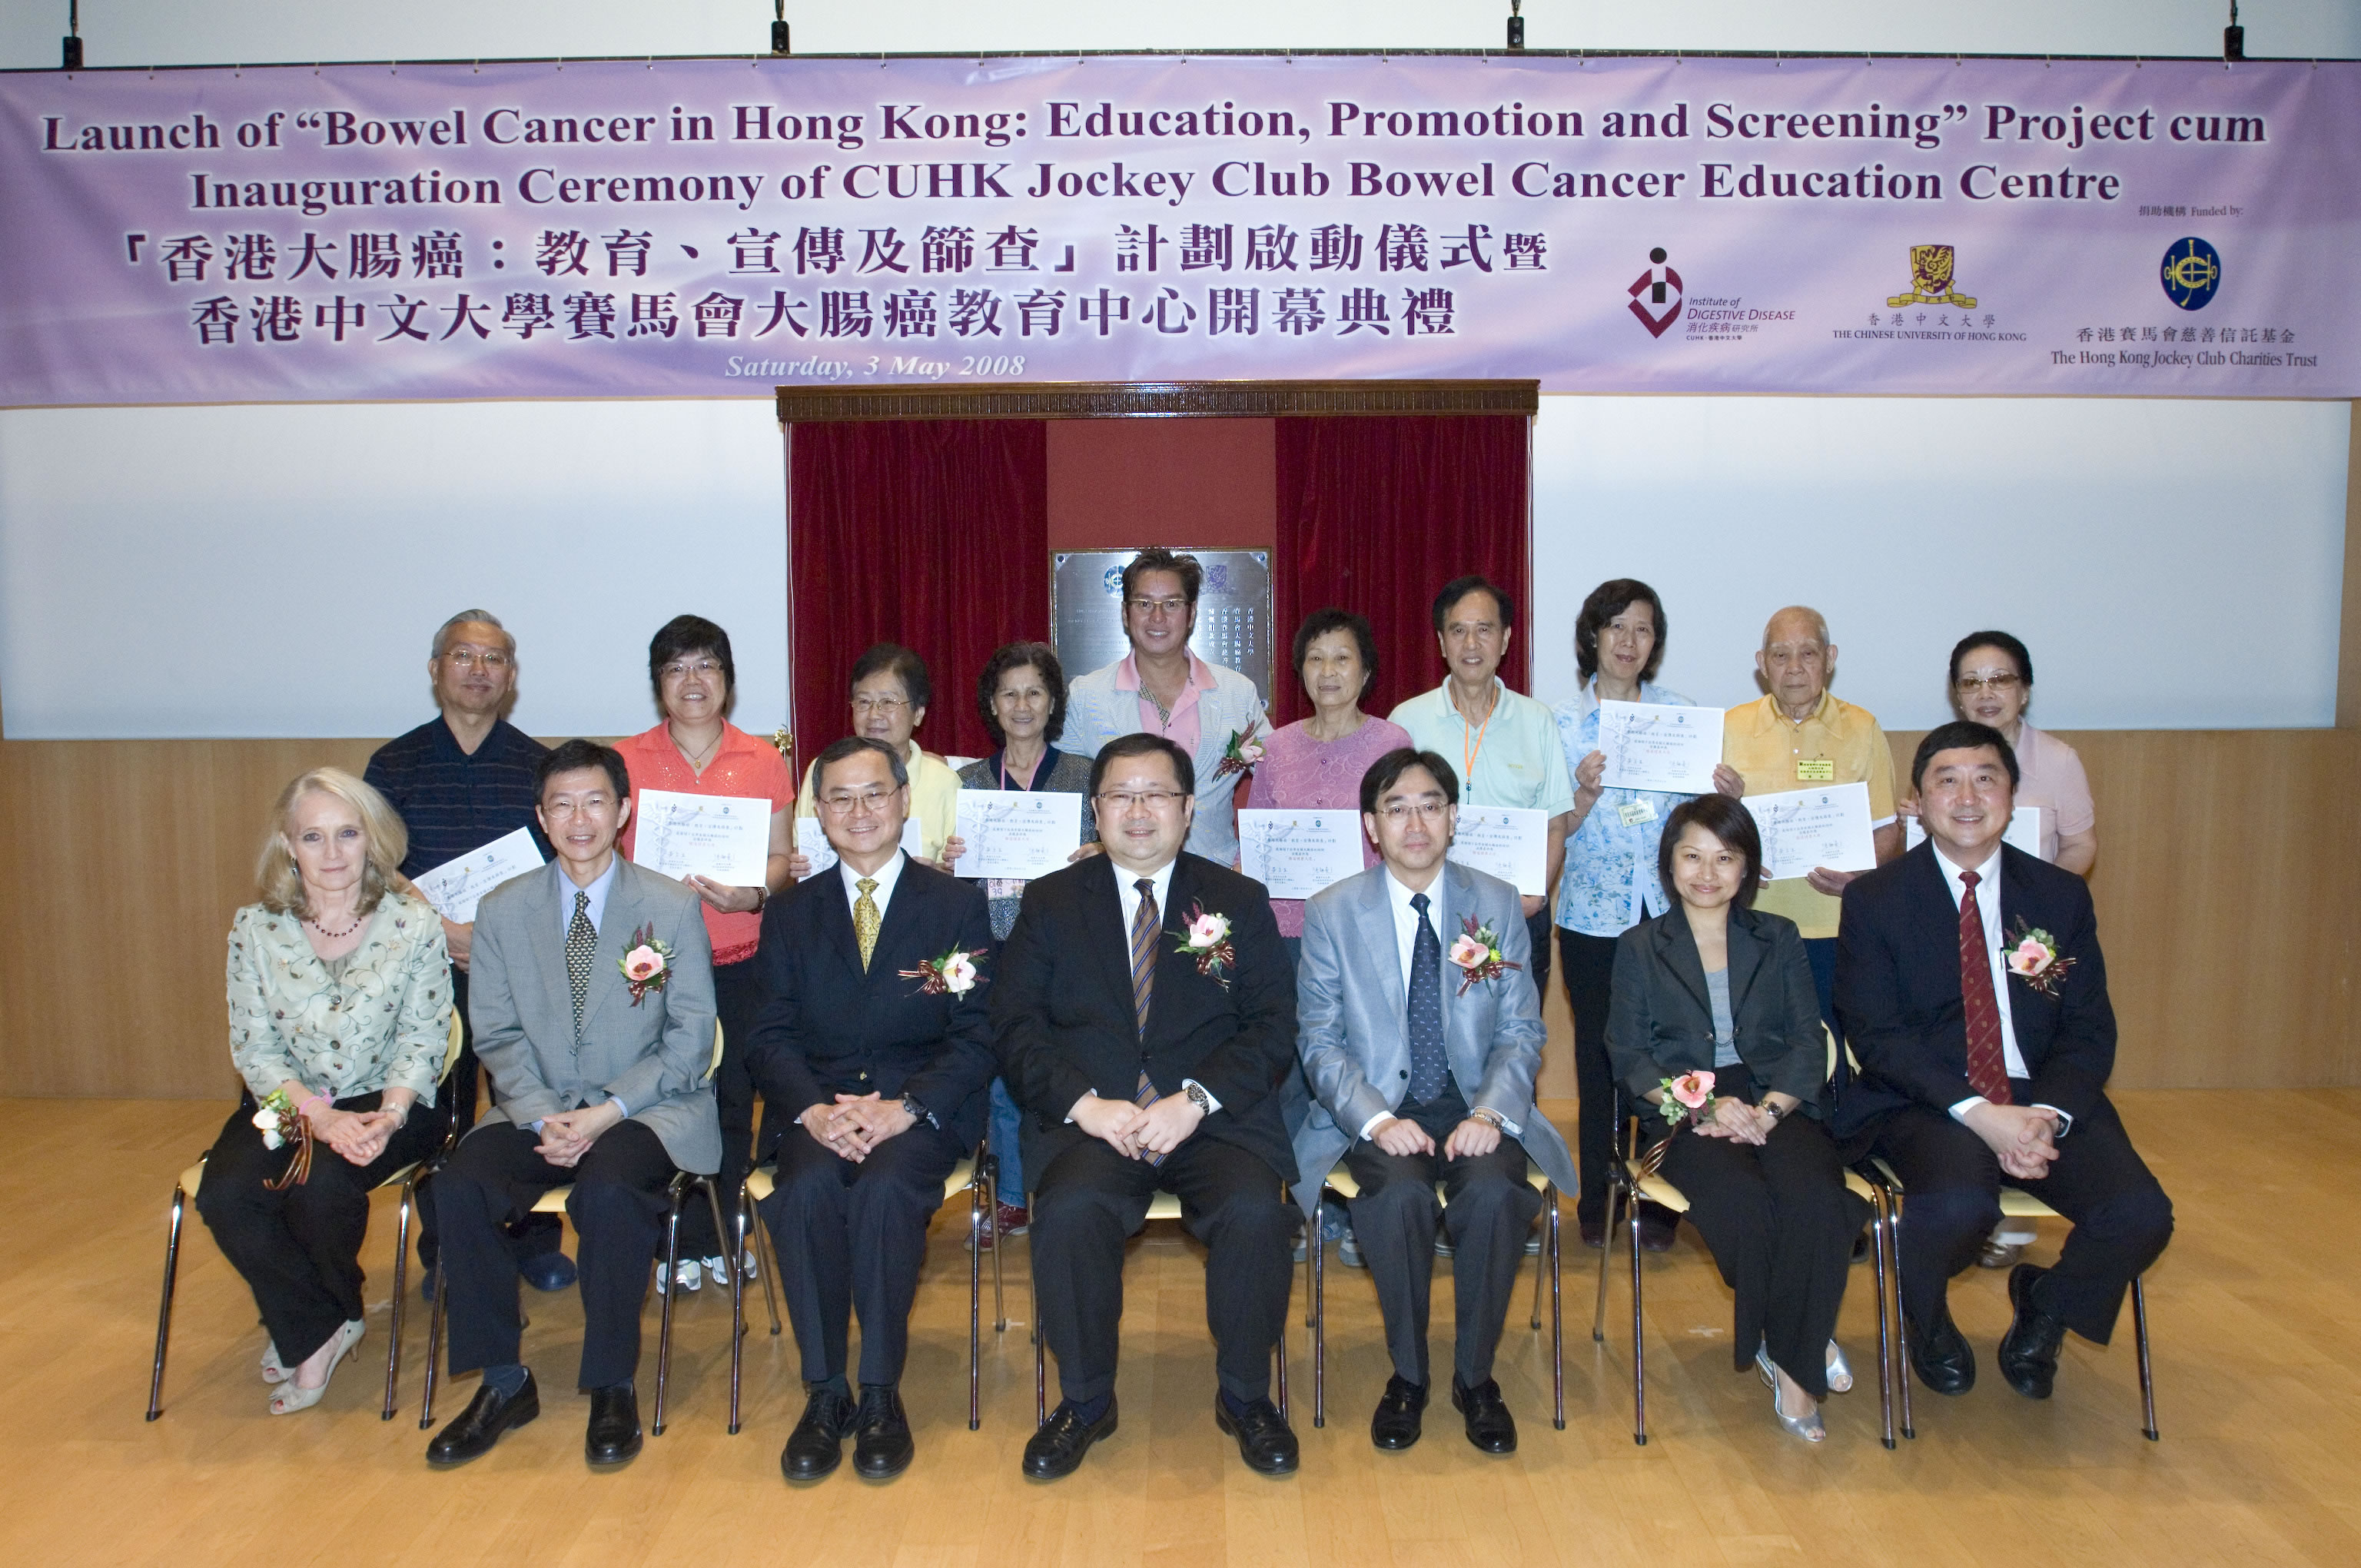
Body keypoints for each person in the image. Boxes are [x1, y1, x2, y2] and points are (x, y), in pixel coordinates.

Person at [1835, 722, 2172, 1404]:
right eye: (1946, 780)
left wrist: (2043, 1113)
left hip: (2041, 1094)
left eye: (1986, 778)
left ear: (2012, 798)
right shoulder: (1876, 900)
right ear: (1919, 800)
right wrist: (1981, 1114)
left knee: (2140, 1213)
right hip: (1928, 1100)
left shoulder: (2058, 896)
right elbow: (1876, 1037)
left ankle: (2047, 1304)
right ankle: (1924, 1318)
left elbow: (2087, 1028)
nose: (1967, 795)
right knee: (1958, 1207)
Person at [994, 733, 1301, 1479]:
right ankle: (1087, 1399)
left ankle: (1246, 1395)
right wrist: (1084, 1105)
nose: (1139, 810)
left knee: (1258, 1212)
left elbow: (1273, 1027)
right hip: (1097, 1121)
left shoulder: (1236, 900)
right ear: (1094, 811)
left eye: (1157, 794)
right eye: (1120, 795)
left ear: (1189, 809)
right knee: (1068, 1212)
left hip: (1211, 1120)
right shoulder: (1051, 901)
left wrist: (1194, 1100)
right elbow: (1015, 1028)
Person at [424, 740, 718, 1470]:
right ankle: (502, 1380)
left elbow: (689, 1040)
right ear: (540, 818)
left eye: (594, 801)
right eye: (561, 803)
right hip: (537, 1105)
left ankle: (611, 1382)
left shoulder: (671, 906)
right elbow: (494, 1030)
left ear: (623, 811)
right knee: (459, 1186)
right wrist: (540, 1114)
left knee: (612, 1191)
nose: (578, 818)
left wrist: (607, 1112)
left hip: (648, 1110)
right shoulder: (503, 909)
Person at [1292, 748, 1577, 1454]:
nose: (1414, 822)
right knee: (1396, 1200)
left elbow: (1520, 1028)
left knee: (1493, 1196)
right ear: (1370, 825)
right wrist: (1378, 1120)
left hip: (1476, 1102)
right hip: (1378, 1108)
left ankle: (1475, 1379)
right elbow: (1321, 1042)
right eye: (1396, 808)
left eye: (1429, 806)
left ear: (1454, 818)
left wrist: (1490, 1112)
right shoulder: (1331, 912)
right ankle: (1410, 1377)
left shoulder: (1497, 901)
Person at [747, 737, 998, 1483]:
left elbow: (979, 1030)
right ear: (817, 815)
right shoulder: (791, 913)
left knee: (889, 1190)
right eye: (840, 799)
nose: (859, 813)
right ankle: (825, 1391)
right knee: (806, 1192)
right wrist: (815, 1111)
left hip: (916, 1110)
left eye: (874, 795)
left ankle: (881, 1391)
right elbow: (767, 1032)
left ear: (904, 801)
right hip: (816, 1106)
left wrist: (908, 1107)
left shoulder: (955, 904)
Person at [1606, 795, 1868, 1443]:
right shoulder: (1640, 946)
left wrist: (1772, 1109)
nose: (1707, 872)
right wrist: (1702, 1106)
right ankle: (1798, 1358)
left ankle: (1787, 1346)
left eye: (1725, 858)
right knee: (1745, 1207)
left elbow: (1809, 1038)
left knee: (1816, 1198)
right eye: (1691, 855)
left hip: (1775, 1096)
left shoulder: (1776, 936)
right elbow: (1628, 1053)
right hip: (1683, 1109)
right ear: (1668, 866)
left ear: (1746, 868)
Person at [200, 767, 455, 1415]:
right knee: (226, 1192)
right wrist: (314, 1117)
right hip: (283, 1102)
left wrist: (388, 1117)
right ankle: (320, 1321)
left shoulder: (414, 925)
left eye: (348, 834)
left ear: (372, 839)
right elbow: (254, 1051)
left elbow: (422, 1041)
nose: (334, 853)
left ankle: (312, 1329)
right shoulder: (254, 929)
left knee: (321, 1189)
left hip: (393, 1103)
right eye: (313, 837)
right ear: (288, 845)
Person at [364, 610, 572, 1292]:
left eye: (494, 659)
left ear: (511, 677)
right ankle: (447, 1246)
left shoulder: (540, 765)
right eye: (463, 655)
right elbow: (373, 863)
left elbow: (565, 866)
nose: (478, 670)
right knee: (440, 1107)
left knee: (527, 1099)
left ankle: (535, 1240)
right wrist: (443, 932)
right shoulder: (392, 763)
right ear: (435, 669)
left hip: (521, 967)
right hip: (426, 968)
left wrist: (499, 940)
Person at [1552, 580, 1745, 1251]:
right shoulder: (1560, 726)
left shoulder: (1682, 717)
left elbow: (1704, 824)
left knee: (1675, 1051)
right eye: (1616, 628)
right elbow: (1556, 832)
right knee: (1601, 1054)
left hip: (1672, 912)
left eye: (1643, 630)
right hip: (1591, 914)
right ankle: (1599, 1197)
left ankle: (1663, 1200)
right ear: (1593, 638)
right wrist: (1579, 794)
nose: (1628, 642)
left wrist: (1728, 798)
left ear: (1654, 643)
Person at [613, 614, 795, 1292]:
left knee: (729, 1099)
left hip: (738, 958)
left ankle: (721, 1234)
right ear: (659, 682)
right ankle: (670, 1239)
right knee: (660, 1101)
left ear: (728, 680)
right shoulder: (625, 760)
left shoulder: (763, 758)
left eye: (707, 667)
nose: (693, 681)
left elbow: (780, 861)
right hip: (648, 966)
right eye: (676, 668)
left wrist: (752, 894)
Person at [1933, 629, 2098, 1269]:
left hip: (2035, 932)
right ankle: (1977, 1184)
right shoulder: (1942, 759)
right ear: (1956, 694)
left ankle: (2024, 1188)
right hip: (1958, 929)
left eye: (1999, 679)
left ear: (2024, 689)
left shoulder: (2058, 759)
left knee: (2037, 1048)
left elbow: (2082, 844)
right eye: (1972, 681)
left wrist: (2045, 904)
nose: (1986, 693)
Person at [955, 641, 1101, 1248]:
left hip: (1063, 949)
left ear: (1053, 703)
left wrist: (1102, 853)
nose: (1022, 704)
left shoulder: (1086, 775)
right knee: (1000, 1078)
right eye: (1009, 693)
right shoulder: (966, 783)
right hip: (986, 948)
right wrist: (949, 862)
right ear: (993, 704)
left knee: (1061, 1070)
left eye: (1034, 692)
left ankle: (1068, 1188)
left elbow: (1122, 853)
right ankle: (1012, 1198)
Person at [1388, 576, 1577, 1003]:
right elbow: (1392, 817)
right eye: (1458, 630)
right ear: (1441, 642)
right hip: (1429, 912)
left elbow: (1555, 824)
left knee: (1515, 1043)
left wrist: (1533, 897)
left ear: (1506, 639)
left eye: (1485, 629)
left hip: (1519, 914)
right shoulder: (1406, 720)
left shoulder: (1537, 720)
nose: (1471, 643)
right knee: (1431, 1041)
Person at [1721, 606, 1902, 1036]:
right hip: (1753, 922)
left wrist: (1857, 880)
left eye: (1808, 653)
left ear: (1830, 657)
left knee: (1839, 1046)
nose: (1795, 668)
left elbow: (1888, 827)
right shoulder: (1731, 726)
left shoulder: (1862, 727)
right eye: (1780, 656)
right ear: (1762, 664)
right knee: (1760, 1043)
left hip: (1837, 923)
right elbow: (1708, 829)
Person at [1063, 547, 1268, 869]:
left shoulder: (1236, 694)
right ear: (1125, 613)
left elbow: (1278, 778)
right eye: (1144, 604)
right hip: (1121, 881)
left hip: (1215, 874)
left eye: (1171, 604)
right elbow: (1062, 789)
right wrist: (1094, 843)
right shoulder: (1087, 696)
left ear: (1192, 612)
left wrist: (1257, 856)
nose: (1157, 617)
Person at [1244, 608, 1413, 964]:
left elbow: (1405, 834)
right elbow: (1256, 838)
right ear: (1301, 670)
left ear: (1365, 671)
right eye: (1315, 658)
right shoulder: (1275, 747)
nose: (1327, 672)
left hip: (1364, 924)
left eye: (1341, 658)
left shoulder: (1392, 743)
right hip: (1285, 926)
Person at [795, 643, 961, 869]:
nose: (874, 714)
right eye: (864, 702)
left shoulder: (945, 782)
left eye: (888, 703)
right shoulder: (824, 769)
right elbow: (802, 851)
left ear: (918, 713)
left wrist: (936, 875)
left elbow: (958, 874)